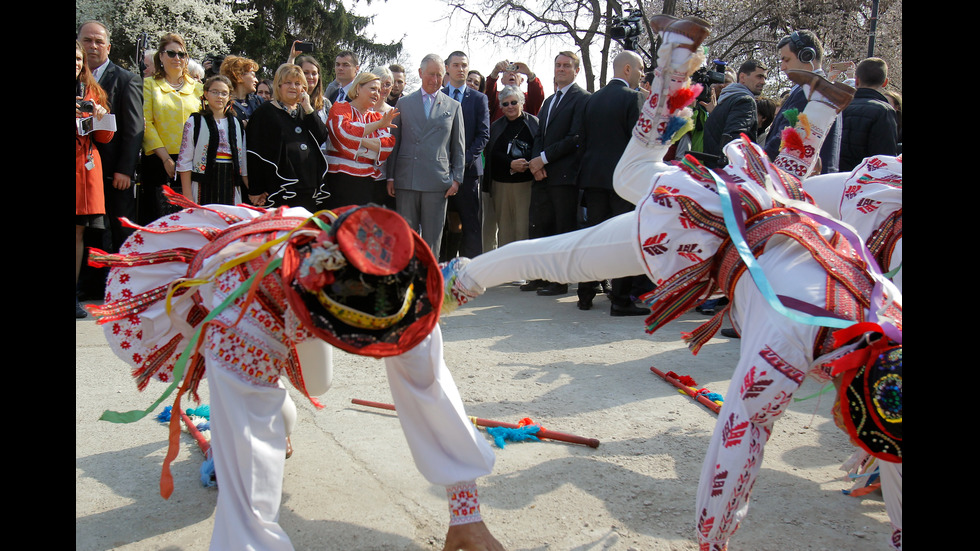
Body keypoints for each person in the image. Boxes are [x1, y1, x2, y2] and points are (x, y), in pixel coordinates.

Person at [441, 14, 901, 551]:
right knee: (578, 237)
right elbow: (737, 446)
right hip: (706, 229)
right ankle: (464, 277)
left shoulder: (891, 314)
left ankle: (811, 102)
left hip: (774, 206)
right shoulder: (790, 340)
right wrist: (713, 543)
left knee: (779, 184)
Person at [89, 200, 505, 550]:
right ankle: (268, 407)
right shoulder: (242, 320)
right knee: (251, 427)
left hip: (300, 286)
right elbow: (249, 468)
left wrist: (465, 512)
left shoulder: (397, 281)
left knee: (317, 384)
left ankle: (281, 400)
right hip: (250, 291)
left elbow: (428, 387)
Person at [575, 50, 650, 315]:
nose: (642, 75)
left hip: (593, 178)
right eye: (640, 69)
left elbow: (582, 140)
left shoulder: (592, 100)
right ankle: (620, 299)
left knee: (595, 237)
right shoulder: (634, 98)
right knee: (623, 239)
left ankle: (585, 293)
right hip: (622, 181)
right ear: (627, 69)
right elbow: (638, 142)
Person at [76, 21, 144, 300]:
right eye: (87, 41)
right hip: (82, 174)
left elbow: (134, 128)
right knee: (86, 232)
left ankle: (122, 289)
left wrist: (125, 169)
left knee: (118, 229)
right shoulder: (79, 81)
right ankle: (87, 287)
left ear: (108, 46)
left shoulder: (126, 79)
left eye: (98, 41)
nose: (93, 46)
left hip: (113, 173)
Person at [521, 51, 590, 297]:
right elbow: (539, 134)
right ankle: (540, 276)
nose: (560, 69)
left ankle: (560, 281)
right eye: (558, 65)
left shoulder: (582, 99)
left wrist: (544, 159)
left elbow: (576, 138)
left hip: (565, 176)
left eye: (566, 66)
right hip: (543, 175)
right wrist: (536, 164)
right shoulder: (549, 101)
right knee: (540, 226)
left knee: (562, 229)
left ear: (576, 70)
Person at [386, 54, 466, 255]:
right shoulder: (404, 104)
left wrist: (456, 179)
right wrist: (391, 176)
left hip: (437, 180)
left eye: (440, 75)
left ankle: (429, 280)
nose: (435, 80)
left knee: (432, 240)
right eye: (431, 74)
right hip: (407, 179)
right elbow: (393, 142)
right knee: (407, 236)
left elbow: (458, 147)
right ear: (421, 73)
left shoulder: (453, 106)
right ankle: (407, 281)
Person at [245, 63, 330, 212]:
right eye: (288, 83)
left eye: (298, 84)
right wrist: (256, 189)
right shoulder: (264, 113)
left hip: (307, 185)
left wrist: (309, 109)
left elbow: (321, 136)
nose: (293, 87)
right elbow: (254, 154)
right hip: (279, 188)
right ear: (278, 86)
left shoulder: (305, 111)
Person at [141, 32, 205, 221]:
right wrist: (166, 158)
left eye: (182, 54)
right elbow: (147, 124)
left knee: (191, 218)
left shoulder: (199, 89)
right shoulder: (149, 85)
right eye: (171, 53)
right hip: (160, 161)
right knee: (160, 219)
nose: (177, 58)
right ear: (161, 56)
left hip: (194, 163)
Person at [764, 29, 842, 175]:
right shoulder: (818, 91)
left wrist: (759, 162)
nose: (782, 67)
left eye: (786, 60)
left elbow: (785, 135)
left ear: (807, 56)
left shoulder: (812, 92)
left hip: (800, 182)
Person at [76, 40, 114, 318]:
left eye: (79, 59)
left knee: (78, 232)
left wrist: (101, 116)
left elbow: (103, 137)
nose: (77, 63)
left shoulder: (93, 91)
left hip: (84, 168)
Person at [441, 51, 490, 260]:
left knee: (470, 223)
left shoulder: (479, 99)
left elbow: (483, 134)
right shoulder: (438, 95)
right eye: (456, 65)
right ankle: (444, 269)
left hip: (468, 173)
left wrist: (464, 161)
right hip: (440, 171)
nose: (461, 69)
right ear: (447, 68)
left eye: (464, 65)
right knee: (444, 224)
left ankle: (473, 272)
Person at [324, 72, 399, 209]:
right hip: (340, 179)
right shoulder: (341, 108)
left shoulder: (375, 117)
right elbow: (344, 134)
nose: (377, 93)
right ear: (358, 88)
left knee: (360, 225)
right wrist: (375, 128)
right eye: (372, 88)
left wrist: (358, 139)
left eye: (379, 90)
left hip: (367, 181)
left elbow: (387, 146)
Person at [176, 75, 249, 206]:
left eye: (224, 93)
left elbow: (242, 161)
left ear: (229, 97)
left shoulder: (236, 124)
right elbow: (184, 161)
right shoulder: (195, 122)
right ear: (206, 94)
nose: (219, 96)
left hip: (230, 183)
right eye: (215, 92)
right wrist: (187, 196)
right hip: (201, 184)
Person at [485, 85, 538, 249]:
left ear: (521, 102)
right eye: (505, 104)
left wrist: (525, 163)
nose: (510, 107)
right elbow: (492, 152)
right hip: (501, 185)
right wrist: (510, 163)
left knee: (523, 230)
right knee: (504, 231)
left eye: (514, 102)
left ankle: (523, 271)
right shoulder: (496, 126)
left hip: (526, 184)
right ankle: (505, 270)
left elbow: (539, 148)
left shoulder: (534, 123)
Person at [702, 59, 767, 167]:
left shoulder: (725, 100)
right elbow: (734, 141)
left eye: (765, 78)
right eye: (759, 76)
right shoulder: (745, 101)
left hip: (715, 171)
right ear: (742, 77)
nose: (763, 82)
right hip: (728, 176)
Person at [838, 57, 898, 172]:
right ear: (885, 82)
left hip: (836, 177)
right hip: (864, 181)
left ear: (857, 80)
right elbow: (885, 158)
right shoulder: (884, 111)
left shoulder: (840, 107)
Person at [220, 54, 264, 124]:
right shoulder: (224, 103)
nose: (256, 80)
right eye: (253, 75)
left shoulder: (259, 101)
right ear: (239, 76)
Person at [293, 54, 332, 123]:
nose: (310, 77)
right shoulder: (291, 101)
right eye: (306, 73)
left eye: (314, 73)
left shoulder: (325, 103)